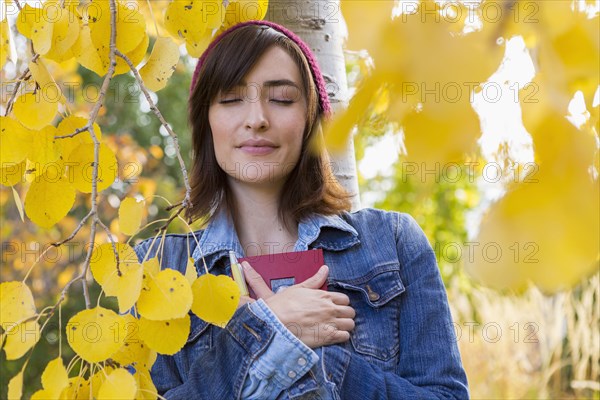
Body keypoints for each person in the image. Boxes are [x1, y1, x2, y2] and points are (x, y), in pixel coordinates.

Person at [134, 20, 469, 399]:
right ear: (206, 122)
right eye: (230, 99)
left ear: (310, 120)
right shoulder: (157, 270)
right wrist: (266, 329)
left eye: (281, 99)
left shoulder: (392, 243)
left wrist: (327, 364)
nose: (257, 118)